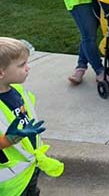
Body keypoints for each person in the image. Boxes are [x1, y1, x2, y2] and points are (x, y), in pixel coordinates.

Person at [0, 37, 64, 195]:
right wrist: (9, 140)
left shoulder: (18, 91)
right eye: (22, 65)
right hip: (10, 183)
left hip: (29, 168)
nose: (28, 68)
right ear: (1, 73)